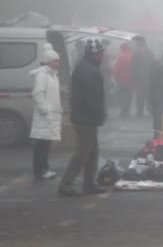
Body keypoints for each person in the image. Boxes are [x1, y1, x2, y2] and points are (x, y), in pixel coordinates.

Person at [58, 39, 107, 196]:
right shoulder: (89, 71)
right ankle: (66, 184)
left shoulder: (85, 67)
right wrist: (99, 115)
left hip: (84, 116)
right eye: (101, 53)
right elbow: (92, 98)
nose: (102, 56)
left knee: (92, 151)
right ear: (96, 54)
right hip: (86, 118)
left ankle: (89, 183)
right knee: (83, 152)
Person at [30, 44, 62, 180]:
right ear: (49, 62)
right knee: (41, 145)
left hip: (50, 116)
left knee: (45, 144)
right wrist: (45, 109)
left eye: (58, 60)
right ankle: (40, 170)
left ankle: (44, 168)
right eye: (55, 60)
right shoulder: (43, 75)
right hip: (45, 116)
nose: (58, 63)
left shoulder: (53, 76)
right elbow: (38, 93)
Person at [131, 36, 153, 117]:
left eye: (140, 45)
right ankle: (140, 111)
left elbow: (152, 65)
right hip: (140, 79)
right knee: (140, 96)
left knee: (147, 96)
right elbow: (133, 68)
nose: (139, 47)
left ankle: (149, 110)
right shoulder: (136, 55)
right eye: (138, 45)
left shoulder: (148, 54)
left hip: (146, 79)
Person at [113, 43, 133, 117]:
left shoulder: (120, 57)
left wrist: (116, 79)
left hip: (121, 80)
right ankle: (127, 111)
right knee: (129, 96)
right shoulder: (132, 56)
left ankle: (123, 111)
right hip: (131, 80)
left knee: (122, 96)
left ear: (122, 49)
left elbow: (116, 69)